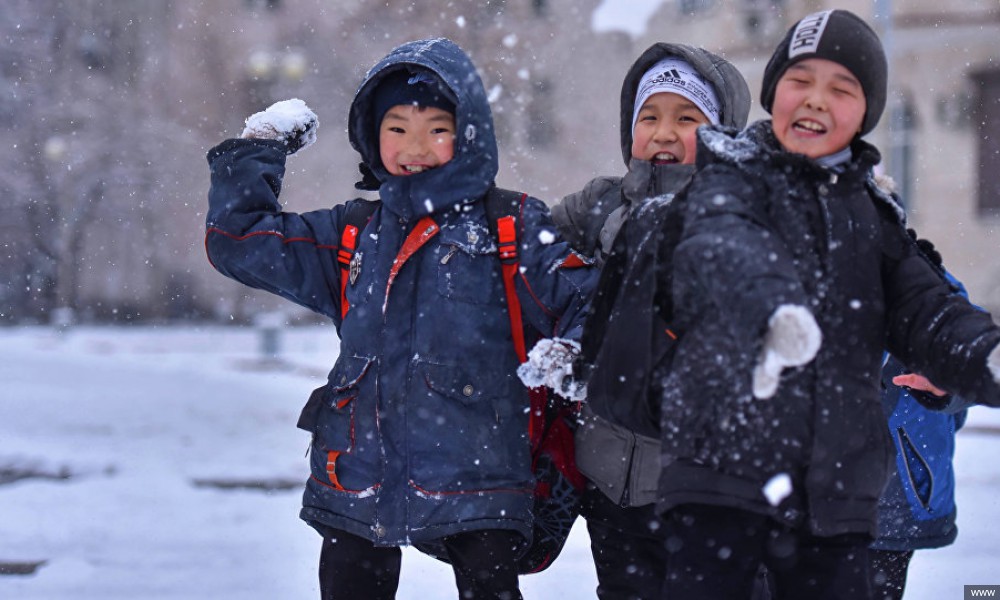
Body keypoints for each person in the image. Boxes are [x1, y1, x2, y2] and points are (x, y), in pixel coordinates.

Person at [204, 38, 594, 600]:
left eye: (436, 127)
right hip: (358, 468)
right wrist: (256, 152)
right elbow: (240, 242)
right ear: (372, 135)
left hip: (479, 472)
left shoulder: (511, 226)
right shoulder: (354, 233)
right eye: (397, 128)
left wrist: (573, 353)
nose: (416, 146)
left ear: (469, 135)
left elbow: (587, 296)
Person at [644, 9, 1000, 599]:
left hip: (837, 498)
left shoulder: (873, 216)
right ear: (772, 92)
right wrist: (773, 312)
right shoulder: (726, 180)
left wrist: (981, 353)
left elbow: (927, 303)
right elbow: (722, 248)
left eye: (841, 88)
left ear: (865, 115)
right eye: (800, 81)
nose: (816, 100)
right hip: (722, 482)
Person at [549, 43, 751, 600]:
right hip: (610, 480)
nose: (663, 132)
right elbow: (525, 258)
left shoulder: (744, 212)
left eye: (687, 118)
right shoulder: (598, 207)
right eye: (649, 116)